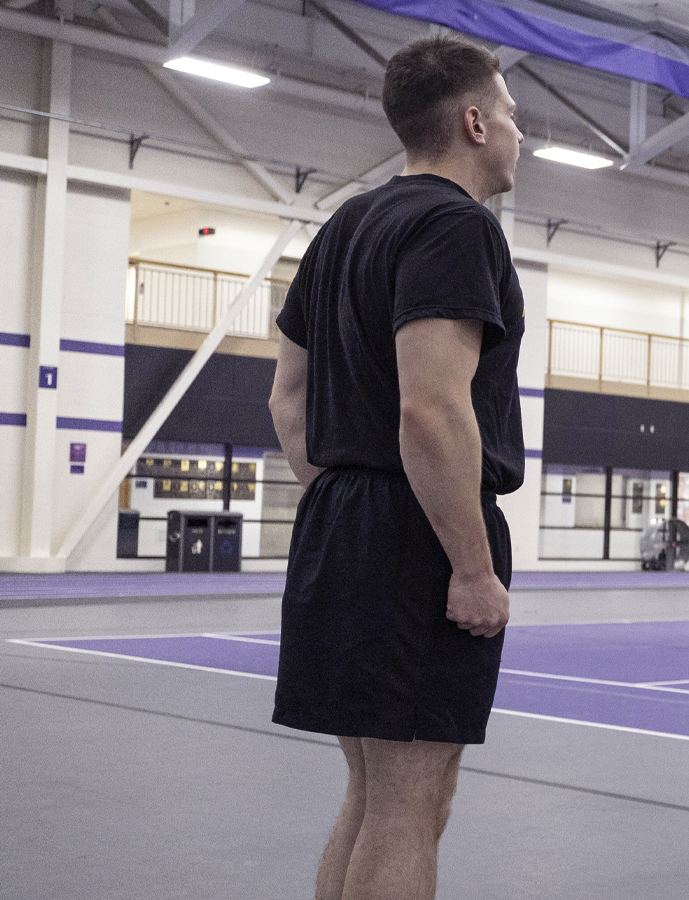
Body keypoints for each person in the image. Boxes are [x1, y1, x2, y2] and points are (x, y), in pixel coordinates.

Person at [267, 36, 524, 900]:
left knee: (378, 793)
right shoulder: (455, 226)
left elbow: (288, 400)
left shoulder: (344, 226)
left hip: (343, 517)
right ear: (475, 120)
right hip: (416, 530)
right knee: (411, 804)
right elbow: (432, 408)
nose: (522, 136)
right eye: (514, 117)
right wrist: (470, 565)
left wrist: (344, 500)